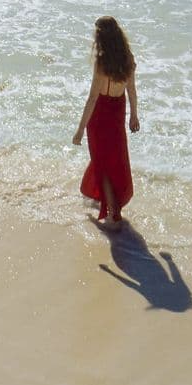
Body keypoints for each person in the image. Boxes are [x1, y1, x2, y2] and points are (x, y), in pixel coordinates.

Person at [72, 15, 139, 228]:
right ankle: (110, 205)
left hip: (100, 114)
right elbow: (131, 91)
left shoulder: (102, 63)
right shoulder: (128, 58)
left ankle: (113, 212)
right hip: (118, 112)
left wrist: (80, 129)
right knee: (114, 160)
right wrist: (134, 115)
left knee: (102, 162)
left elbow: (93, 97)